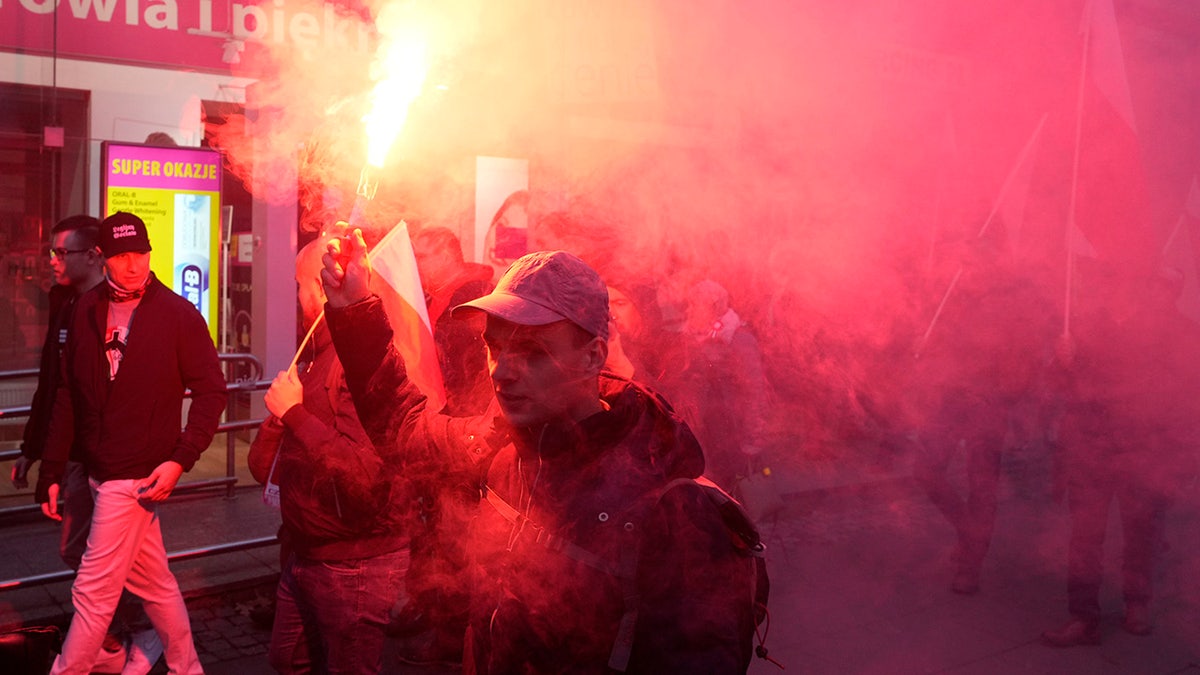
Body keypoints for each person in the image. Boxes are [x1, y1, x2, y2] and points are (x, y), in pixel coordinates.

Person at [320, 230, 759, 673]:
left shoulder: (670, 508)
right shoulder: (500, 447)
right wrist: (354, 309)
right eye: (494, 345)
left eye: (532, 352)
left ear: (593, 357)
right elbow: (404, 429)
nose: (501, 371)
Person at [35, 211, 226, 675]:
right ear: (103, 258)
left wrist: (181, 459)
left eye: (140, 253)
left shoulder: (178, 314)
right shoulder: (84, 309)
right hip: (99, 470)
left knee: (93, 592)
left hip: (135, 477)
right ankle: (188, 667)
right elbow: (67, 393)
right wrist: (52, 470)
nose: (134, 264)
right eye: (122, 256)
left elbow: (212, 392)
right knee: (156, 585)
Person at [247, 232, 410, 674]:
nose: (295, 298)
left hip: (353, 562)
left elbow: (364, 474)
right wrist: (280, 419)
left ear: (322, 289)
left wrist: (296, 415)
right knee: (289, 659)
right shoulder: (314, 358)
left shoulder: (357, 366)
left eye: (299, 285)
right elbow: (263, 470)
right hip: (306, 551)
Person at [13, 214, 166, 673]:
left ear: (91, 256)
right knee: (100, 555)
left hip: (116, 459)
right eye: (54, 252)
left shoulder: (123, 309)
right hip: (78, 455)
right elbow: (53, 387)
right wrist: (36, 451)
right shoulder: (68, 307)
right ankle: (134, 633)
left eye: (63, 252)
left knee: (104, 558)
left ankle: (121, 635)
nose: (54, 260)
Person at [1041, 268, 1200, 646]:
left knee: (1142, 534)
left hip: (1145, 452)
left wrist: (1183, 457)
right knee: (1085, 539)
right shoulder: (1087, 329)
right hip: (1092, 450)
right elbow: (1057, 385)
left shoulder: (1180, 336)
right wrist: (1062, 361)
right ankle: (1083, 616)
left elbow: (1190, 400)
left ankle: (1137, 604)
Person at [911, 233, 1053, 595]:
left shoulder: (1015, 303)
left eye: (975, 257)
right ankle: (967, 531)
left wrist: (1001, 395)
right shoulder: (956, 293)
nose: (967, 263)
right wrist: (927, 345)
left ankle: (972, 563)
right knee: (925, 468)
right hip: (952, 400)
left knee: (982, 487)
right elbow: (941, 344)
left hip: (988, 406)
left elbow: (1025, 361)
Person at [659, 279, 771, 491]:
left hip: (729, 433)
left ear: (714, 306)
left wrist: (752, 439)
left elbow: (754, 390)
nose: (690, 309)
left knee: (733, 490)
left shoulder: (739, 338)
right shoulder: (690, 338)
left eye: (695, 304)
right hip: (701, 431)